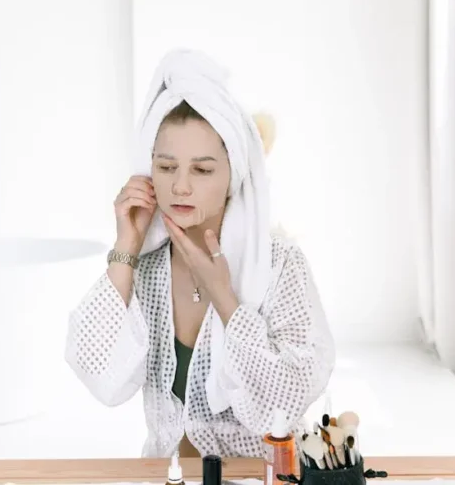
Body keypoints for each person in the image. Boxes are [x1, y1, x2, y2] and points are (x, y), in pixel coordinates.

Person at [65, 49, 335, 458]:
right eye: (167, 167)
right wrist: (126, 248)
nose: (181, 187)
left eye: (203, 169)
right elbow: (100, 374)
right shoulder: (149, 268)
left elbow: (287, 399)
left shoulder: (279, 264)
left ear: (233, 174)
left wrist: (224, 298)